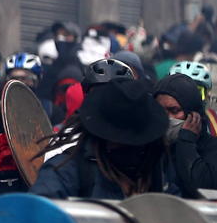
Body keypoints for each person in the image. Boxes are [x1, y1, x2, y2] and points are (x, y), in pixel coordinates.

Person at [30, 79, 170, 200]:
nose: (131, 150)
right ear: (102, 137)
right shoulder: (67, 171)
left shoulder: (154, 170)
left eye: (139, 144)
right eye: (120, 143)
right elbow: (35, 219)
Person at [153, 74, 217, 198]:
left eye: (174, 111)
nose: (167, 118)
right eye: (160, 110)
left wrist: (186, 141)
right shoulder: (152, 149)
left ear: (193, 114)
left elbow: (199, 189)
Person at [168, 59, 217, 156]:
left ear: (206, 95)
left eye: (197, 92)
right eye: (180, 91)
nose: (188, 98)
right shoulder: (161, 118)